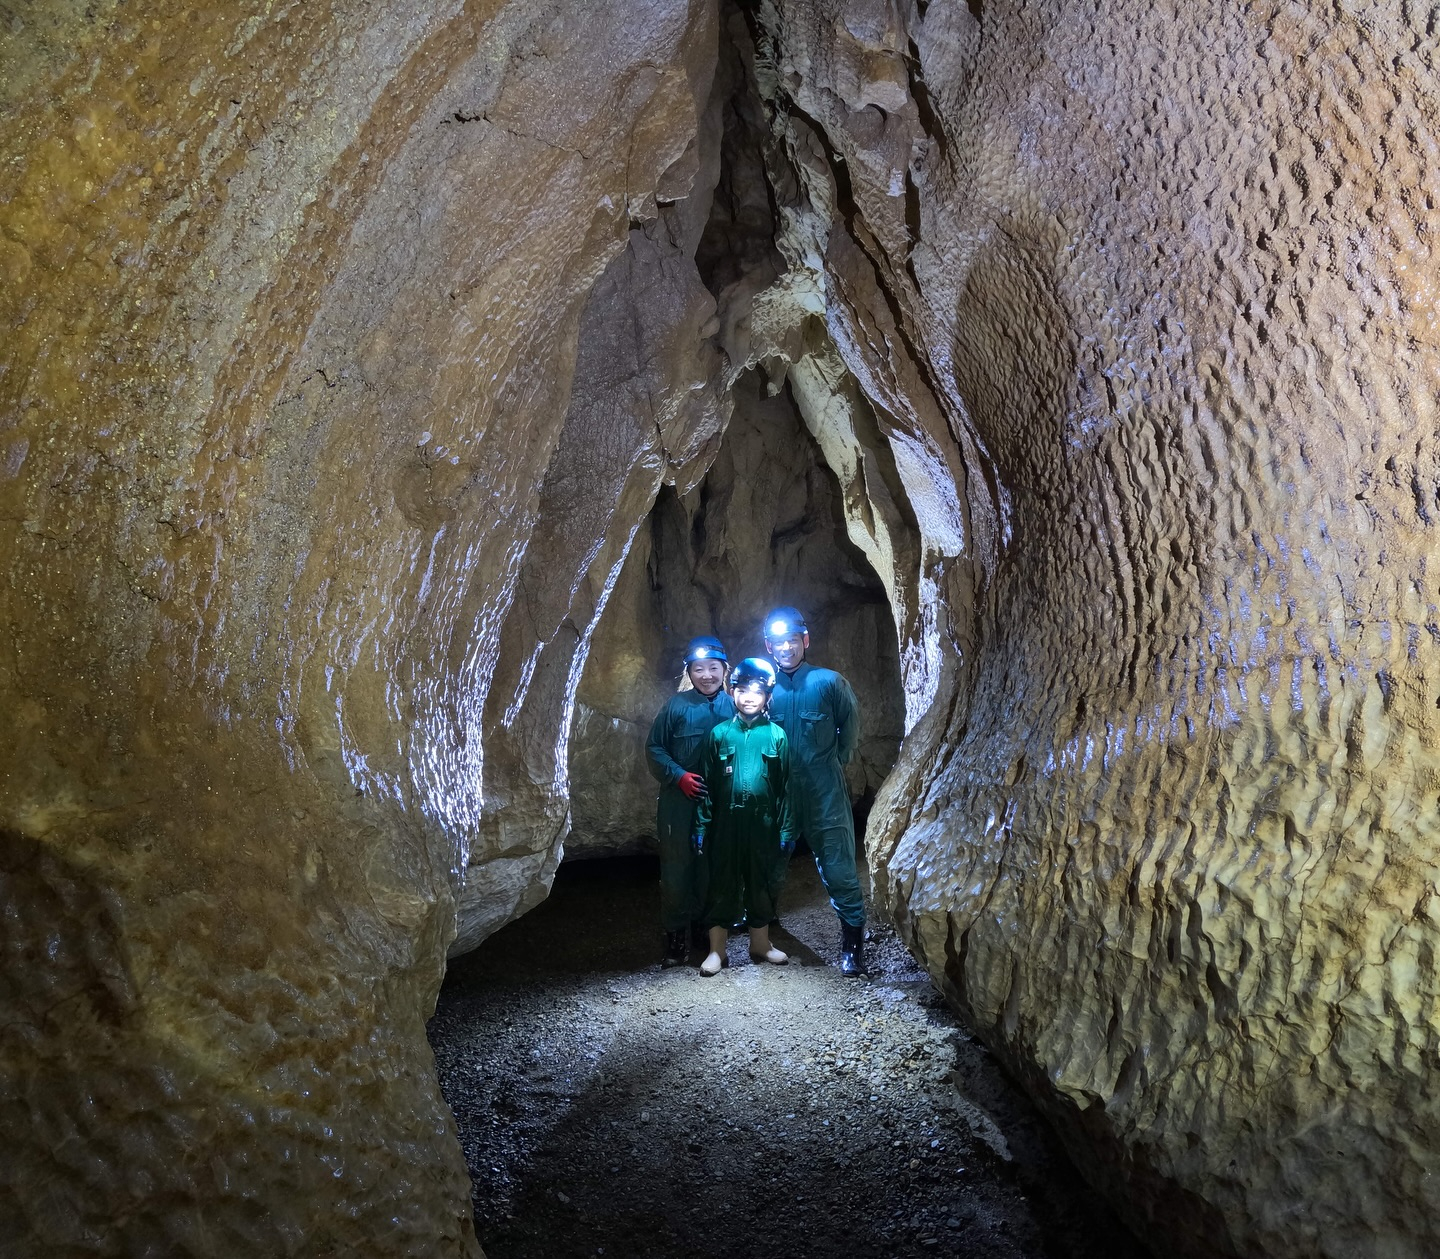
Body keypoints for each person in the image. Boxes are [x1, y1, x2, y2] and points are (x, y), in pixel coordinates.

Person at [762, 605, 868, 976]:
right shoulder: (765, 686)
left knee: (838, 867)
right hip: (779, 792)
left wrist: (833, 762)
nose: (787, 648)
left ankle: (852, 944)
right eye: (779, 643)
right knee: (769, 859)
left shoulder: (829, 682)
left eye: (793, 640)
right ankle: (763, 921)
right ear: (769, 647)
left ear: (805, 641)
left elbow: (849, 729)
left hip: (823, 790)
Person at [691, 657, 795, 976]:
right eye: (742, 690)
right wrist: (701, 825)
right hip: (725, 824)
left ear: (767, 696)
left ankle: (760, 944)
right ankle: (717, 952)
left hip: (762, 825)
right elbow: (706, 786)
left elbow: (786, 787)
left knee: (760, 883)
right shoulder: (719, 735)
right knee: (721, 883)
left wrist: (786, 828)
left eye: (757, 691)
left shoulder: (777, 736)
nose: (749, 697)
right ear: (731, 691)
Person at [646, 636, 736, 968]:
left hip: (719, 802)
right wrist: (678, 776)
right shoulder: (675, 707)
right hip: (678, 803)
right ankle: (675, 938)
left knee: (712, 868)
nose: (707, 675)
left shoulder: (735, 705)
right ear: (690, 672)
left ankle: (705, 931)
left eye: (714, 667)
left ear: (724, 670)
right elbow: (654, 748)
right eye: (699, 668)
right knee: (676, 870)